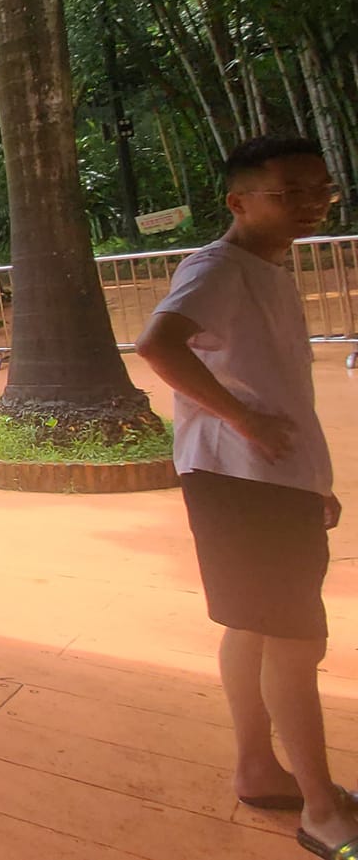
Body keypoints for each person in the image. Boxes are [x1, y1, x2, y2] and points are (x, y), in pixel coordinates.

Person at [134, 135, 347, 857]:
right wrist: (243, 419)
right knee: (296, 641)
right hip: (240, 481)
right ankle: (321, 808)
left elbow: (276, 384)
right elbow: (156, 345)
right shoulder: (219, 266)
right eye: (291, 192)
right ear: (238, 200)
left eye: (322, 190)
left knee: (257, 628)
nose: (312, 202)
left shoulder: (269, 267)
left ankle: (259, 766)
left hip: (261, 481)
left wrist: (311, 481)